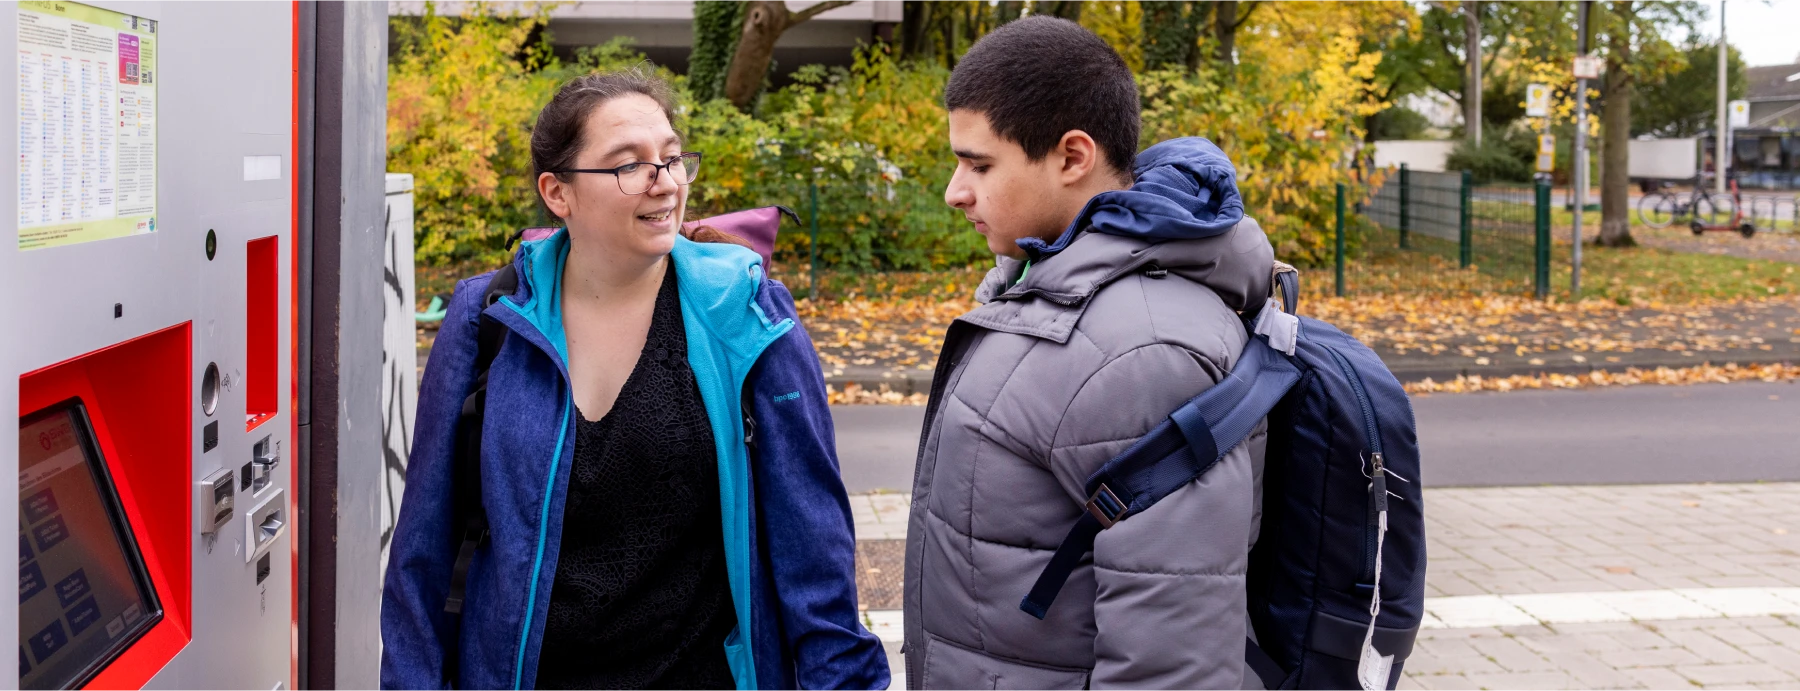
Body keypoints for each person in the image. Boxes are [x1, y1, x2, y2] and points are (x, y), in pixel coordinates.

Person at [380, 68, 887, 691]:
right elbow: (422, 551)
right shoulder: (487, 317)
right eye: (630, 164)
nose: (665, 182)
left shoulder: (747, 313)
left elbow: (814, 547)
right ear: (558, 193)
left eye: (672, 158)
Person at [902, 16, 1277, 690]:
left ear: (1073, 157)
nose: (955, 191)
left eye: (978, 164)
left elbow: (1173, 665)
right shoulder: (1052, 287)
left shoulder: (1140, 347)